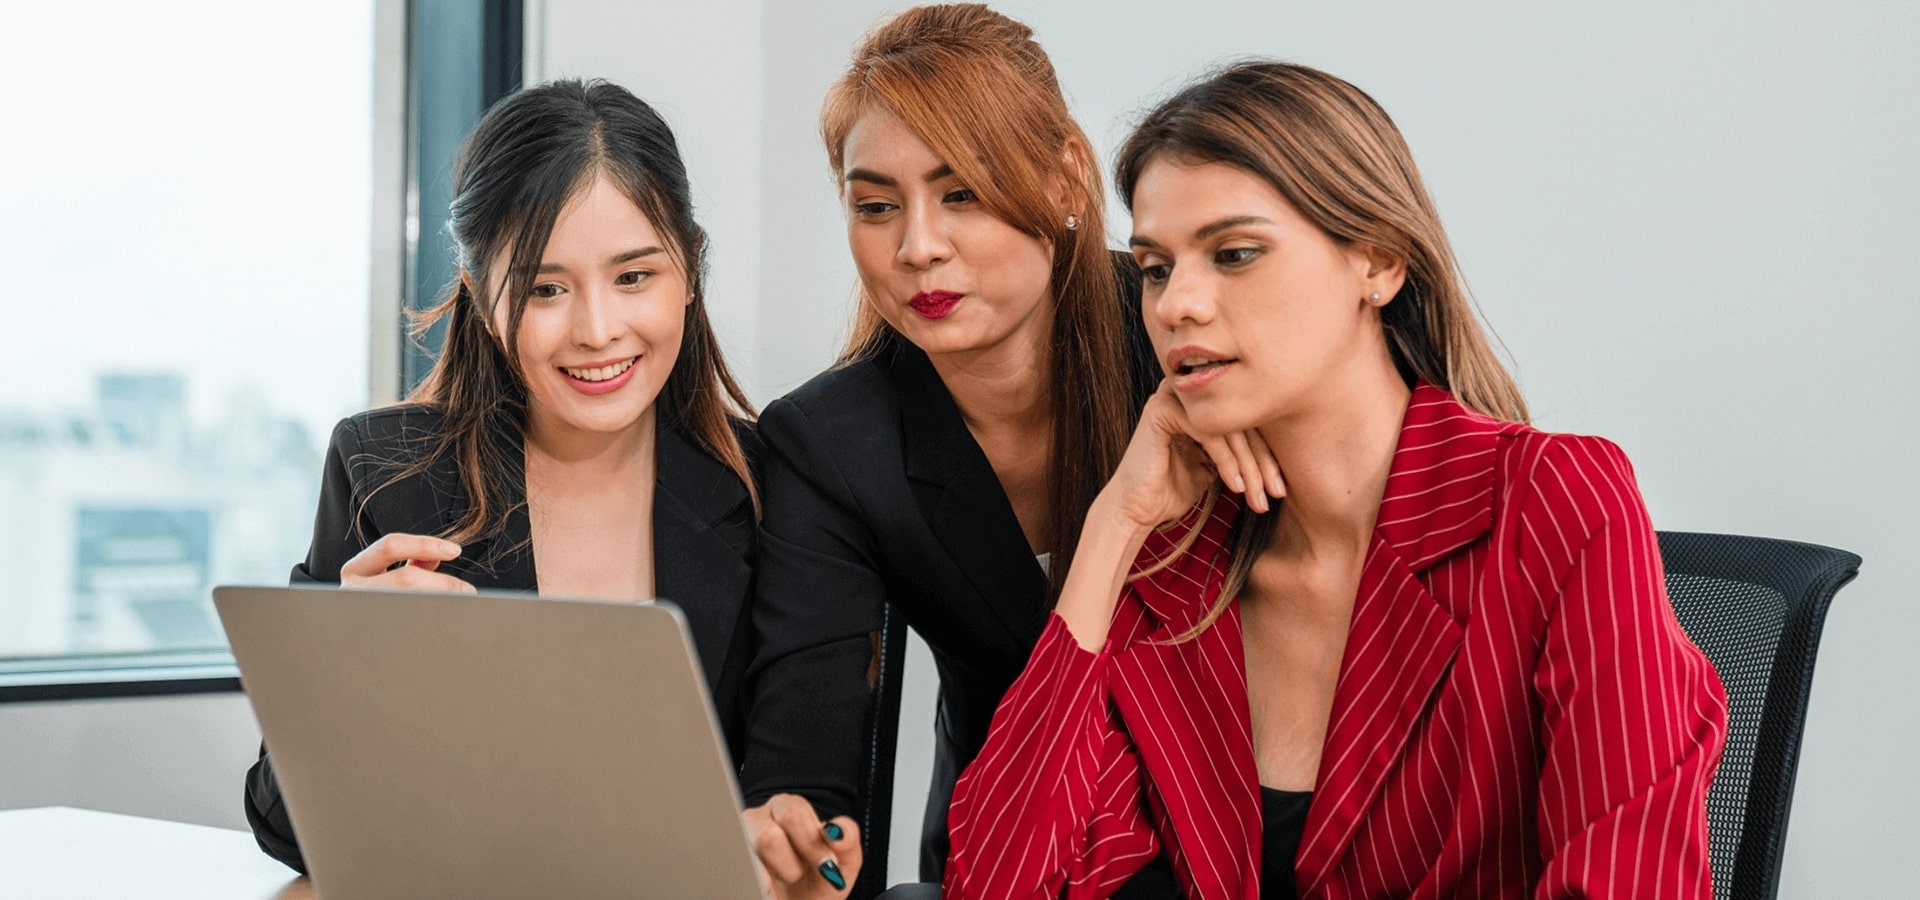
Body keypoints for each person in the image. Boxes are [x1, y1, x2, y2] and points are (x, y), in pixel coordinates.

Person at [944, 61, 1730, 899]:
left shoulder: (1552, 501)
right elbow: (993, 884)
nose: (1177, 306)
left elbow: (1630, 877)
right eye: (1156, 269)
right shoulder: (1173, 563)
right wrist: (1113, 529)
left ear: (1379, 262)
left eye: (1234, 254)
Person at [240, 79, 779, 877]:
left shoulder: (771, 485)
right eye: (544, 289)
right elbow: (286, 832)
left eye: (634, 277)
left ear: (690, 268)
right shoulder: (384, 474)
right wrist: (346, 668)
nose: (597, 330)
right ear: (480, 295)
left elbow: (802, 813)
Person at [735, 4, 1161, 894]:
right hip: (1005, 854)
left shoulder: (1177, 335)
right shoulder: (829, 443)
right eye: (876, 206)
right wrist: (798, 842)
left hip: (1236, 834)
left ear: (1065, 179)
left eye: (960, 192)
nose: (917, 248)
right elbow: (806, 756)